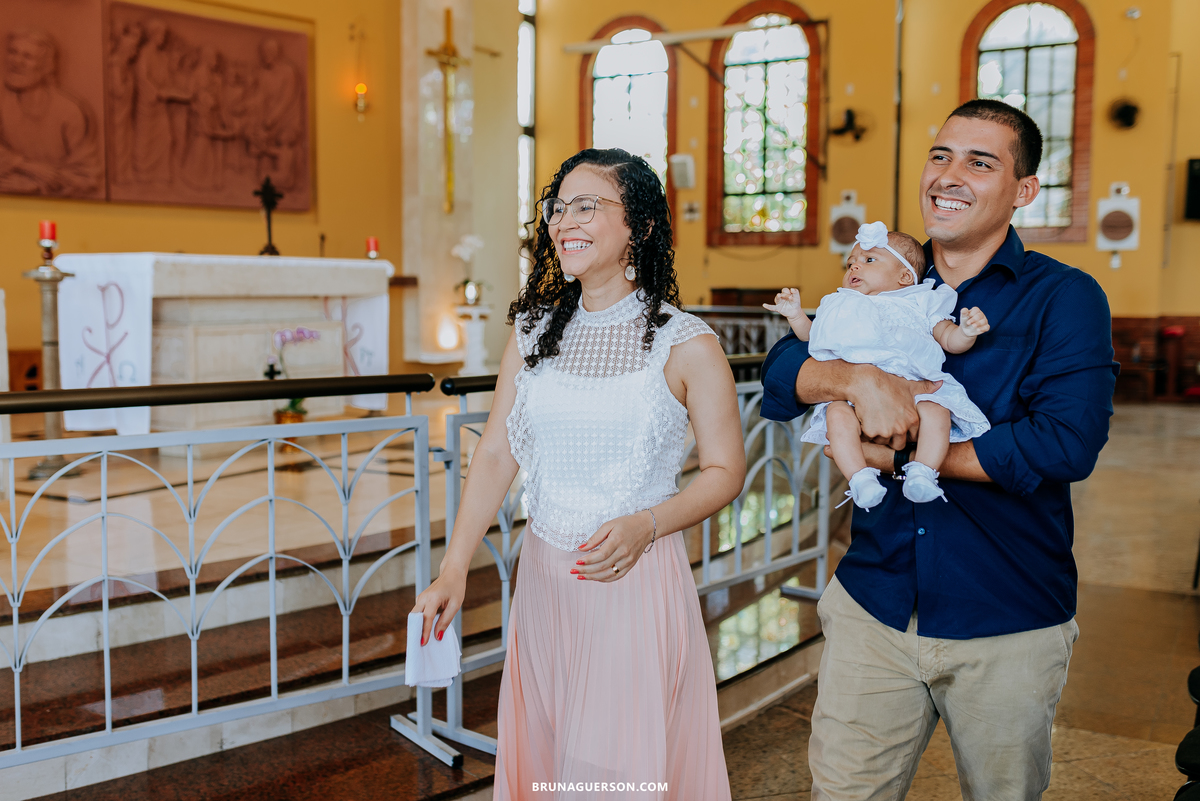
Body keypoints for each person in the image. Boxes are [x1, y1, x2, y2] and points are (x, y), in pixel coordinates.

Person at [760, 99, 1118, 799]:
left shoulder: (1064, 298)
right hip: (874, 600)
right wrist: (854, 377)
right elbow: (782, 370)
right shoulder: (886, 284)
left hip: (1004, 613)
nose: (949, 175)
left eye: (980, 162)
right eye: (940, 156)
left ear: (1023, 191)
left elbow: (1065, 443)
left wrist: (901, 455)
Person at [412, 148, 744, 800]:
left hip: (631, 581)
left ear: (640, 227)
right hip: (544, 579)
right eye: (558, 206)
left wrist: (649, 524)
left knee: (616, 774)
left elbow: (726, 470)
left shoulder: (687, 343)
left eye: (587, 205)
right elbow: (498, 454)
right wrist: (454, 564)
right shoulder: (533, 332)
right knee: (550, 756)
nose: (566, 219)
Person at [763, 221, 991, 509]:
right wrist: (795, 315)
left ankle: (923, 471)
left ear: (905, 277)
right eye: (850, 264)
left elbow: (947, 338)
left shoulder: (920, 301)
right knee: (837, 415)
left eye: (869, 260)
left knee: (938, 409)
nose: (854, 267)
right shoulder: (841, 304)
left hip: (918, 384)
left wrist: (966, 332)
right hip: (853, 397)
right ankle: (860, 479)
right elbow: (814, 338)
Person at [0, 28, 102, 197]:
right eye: (13, 52)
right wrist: (25, 165)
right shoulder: (3, 104)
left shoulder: (69, 112)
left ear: (46, 66)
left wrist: (35, 186)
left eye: (27, 56)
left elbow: (88, 178)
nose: (16, 62)